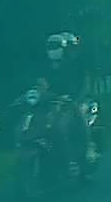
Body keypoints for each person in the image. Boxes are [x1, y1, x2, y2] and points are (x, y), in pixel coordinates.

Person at [38, 32, 91, 173]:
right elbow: (42, 85)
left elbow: (84, 85)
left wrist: (75, 100)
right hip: (55, 103)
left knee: (72, 122)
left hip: (75, 102)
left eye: (56, 46)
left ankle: (84, 155)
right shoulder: (47, 67)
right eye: (50, 46)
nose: (53, 49)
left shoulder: (75, 65)